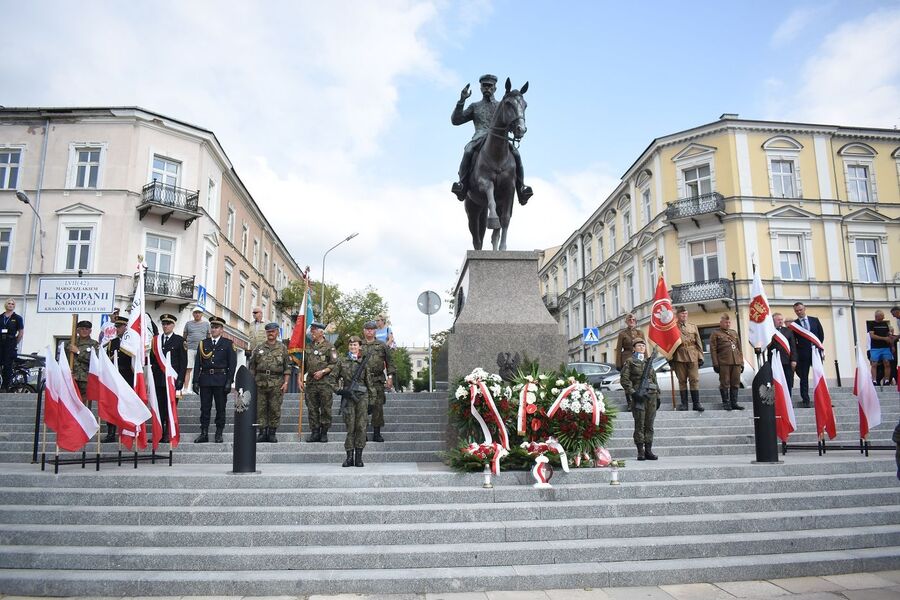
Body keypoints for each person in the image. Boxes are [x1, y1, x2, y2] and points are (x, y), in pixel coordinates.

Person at [450, 73, 532, 204]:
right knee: (468, 151)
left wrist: (515, 128)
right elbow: (456, 120)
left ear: (495, 88)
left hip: (500, 139)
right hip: (479, 136)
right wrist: (461, 101)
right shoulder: (475, 106)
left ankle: (521, 188)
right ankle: (462, 185)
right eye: (484, 86)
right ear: (481, 88)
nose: (487, 88)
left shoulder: (502, 105)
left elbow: (510, 122)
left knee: (516, 154)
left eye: (490, 86)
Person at [192, 316, 236, 443]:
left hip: (220, 380)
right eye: (212, 327)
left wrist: (229, 381)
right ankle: (204, 433)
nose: (213, 329)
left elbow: (232, 365)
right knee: (204, 408)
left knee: (220, 408)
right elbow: (197, 364)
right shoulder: (203, 343)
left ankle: (219, 432)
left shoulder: (228, 344)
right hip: (205, 379)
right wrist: (195, 381)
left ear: (222, 329)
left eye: (216, 327)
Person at [249, 322, 290, 443]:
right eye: (268, 332)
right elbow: (252, 366)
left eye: (272, 331)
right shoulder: (259, 348)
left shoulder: (283, 348)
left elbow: (287, 368)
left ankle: (272, 432)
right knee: (260, 408)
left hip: (277, 382)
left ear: (277, 332)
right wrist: (251, 382)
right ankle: (262, 432)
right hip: (260, 382)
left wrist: (286, 383)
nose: (270, 334)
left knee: (274, 408)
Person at [151, 314, 187, 442]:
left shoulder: (180, 341)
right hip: (158, 379)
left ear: (173, 325)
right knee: (159, 407)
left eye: (168, 324)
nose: (165, 326)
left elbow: (183, 363)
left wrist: (181, 380)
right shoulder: (156, 340)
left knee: (169, 408)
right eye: (164, 324)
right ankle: (159, 433)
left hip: (172, 380)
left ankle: (167, 433)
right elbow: (152, 360)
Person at [620, 339, 659, 461]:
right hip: (639, 396)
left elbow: (654, 379)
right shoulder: (630, 361)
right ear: (634, 348)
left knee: (649, 424)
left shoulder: (649, 362)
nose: (642, 347)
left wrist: (658, 396)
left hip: (651, 396)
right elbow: (625, 380)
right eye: (639, 346)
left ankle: (648, 450)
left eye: (643, 345)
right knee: (640, 424)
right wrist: (633, 393)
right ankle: (640, 451)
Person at [334, 335, 369, 467]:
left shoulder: (363, 362)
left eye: (355, 345)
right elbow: (332, 379)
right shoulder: (342, 362)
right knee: (350, 427)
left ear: (359, 346)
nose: (353, 347)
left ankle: (359, 458)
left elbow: (369, 383)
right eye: (351, 345)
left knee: (361, 427)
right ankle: (349, 457)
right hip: (348, 398)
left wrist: (371, 401)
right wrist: (340, 391)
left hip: (362, 398)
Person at [361, 320, 395, 442]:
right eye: (367, 329)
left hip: (378, 380)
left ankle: (376, 433)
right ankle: (362, 432)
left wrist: (390, 377)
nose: (369, 331)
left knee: (378, 407)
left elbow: (390, 362)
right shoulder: (358, 345)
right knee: (362, 407)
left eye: (372, 329)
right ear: (364, 331)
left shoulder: (382, 345)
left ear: (375, 331)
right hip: (363, 382)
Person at [304, 322, 337, 443]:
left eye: (314, 330)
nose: (311, 332)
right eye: (311, 330)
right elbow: (303, 365)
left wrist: (323, 372)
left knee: (325, 408)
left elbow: (334, 364)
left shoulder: (330, 346)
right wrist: (299, 378)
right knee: (312, 408)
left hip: (325, 383)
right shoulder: (308, 346)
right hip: (311, 383)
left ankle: (324, 432)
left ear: (321, 332)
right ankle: (315, 432)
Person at [102, 316, 133, 442]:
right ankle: (111, 432)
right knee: (112, 405)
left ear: (126, 327)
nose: (117, 329)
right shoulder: (112, 343)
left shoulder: (132, 342)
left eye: (120, 327)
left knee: (127, 406)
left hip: (128, 376)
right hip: (115, 377)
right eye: (116, 327)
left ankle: (128, 430)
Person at [669, 306, 704, 412]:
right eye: (682, 314)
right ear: (677, 315)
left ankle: (696, 403)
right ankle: (684, 404)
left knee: (694, 379)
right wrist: (669, 358)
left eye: (685, 313)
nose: (684, 315)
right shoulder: (672, 327)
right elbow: (669, 344)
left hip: (693, 355)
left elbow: (698, 343)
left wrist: (700, 356)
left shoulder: (693, 327)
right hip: (679, 356)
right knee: (682, 381)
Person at [791, 302, 825, 408]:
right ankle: (805, 399)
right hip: (803, 355)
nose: (799, 312)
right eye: (796, 311)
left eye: (800, 310)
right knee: (804, 378)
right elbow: (793, 342)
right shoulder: (794, 325)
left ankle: (823, 399)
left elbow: (821, 336)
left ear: (805, 308)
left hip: (815, 353)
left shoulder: (815, 320)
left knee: (819, 376)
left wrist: (817, 348)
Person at [709, 314, 745, 411]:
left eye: (729, 322)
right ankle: (726, 403)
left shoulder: (734, 333)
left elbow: (739, 349)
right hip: (724, 362)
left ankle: (734, 403)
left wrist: (741, 363)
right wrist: (715, 364)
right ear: (721, 323)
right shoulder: (715, 334)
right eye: (726, 322)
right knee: (725, 383)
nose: (728, 324)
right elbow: (713, 350)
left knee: (736, 383)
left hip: (736, 362)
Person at [614, 313, 645, 411]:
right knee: (628, 381)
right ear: (626, 322)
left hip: (639, 359)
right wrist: (618, 363)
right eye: (629, 320)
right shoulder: (622, 334)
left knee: (638, 381)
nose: (632, 321)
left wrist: (647, 359)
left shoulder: (640, 333)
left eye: (633, 320)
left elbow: (644, 347)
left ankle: (638, 401)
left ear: (636, 321)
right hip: (626, 358)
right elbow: (618, 349)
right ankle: (630, 403)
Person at [68, 320, 99, 405]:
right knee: (71, 403)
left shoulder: (94, 344)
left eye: (87, 329)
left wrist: (78, 352)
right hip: (72, 377)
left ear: (90, 331)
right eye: (82, 329)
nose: (84, 331)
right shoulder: (71, 343)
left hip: (86, 379)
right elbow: (65, 360)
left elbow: (95, 361)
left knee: (84, 404)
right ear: (77, 330)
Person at [767, 312, 798, 395]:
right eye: (778, 320)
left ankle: (788, 401)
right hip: (774, 361)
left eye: (781, 319)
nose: (780, 321)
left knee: (788, 381)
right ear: (773, 321)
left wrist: (794, 360)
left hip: (787, 361)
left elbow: (793, 347)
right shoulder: (769, 331)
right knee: (775, 382)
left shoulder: (788, 331)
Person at [182, 307, 210, 392]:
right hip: (190, 348)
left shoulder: (206, 324)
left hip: (201, 350)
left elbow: (208, 337)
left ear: (202, 314)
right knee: (188, 369)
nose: (197, 314)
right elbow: (184, 336)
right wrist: (184, 344)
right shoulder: (188, 323)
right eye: (195, 312)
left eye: (199, 313)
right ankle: (186, 388)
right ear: (193, 314)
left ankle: (196, 388)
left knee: (200, 369)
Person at [0, 299, 24, 393]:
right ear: (6, 305)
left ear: (14, 306)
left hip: (10, 343)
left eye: (12, 304)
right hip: (1, 341)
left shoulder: (17, 318)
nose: (10, 305)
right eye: (9, 303)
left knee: (7, 365)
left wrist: (15, 342)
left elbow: (21, 332)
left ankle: (5, 386)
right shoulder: (1, 317)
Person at [868, 310, 895, 387]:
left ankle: (886, 380)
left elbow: (888, 335)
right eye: (882, 316)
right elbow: (872, 336)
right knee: (874, 363)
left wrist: (892, 343)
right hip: (875, 347)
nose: (884, 317)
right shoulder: (871, 324)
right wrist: (884, 338)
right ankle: (874, 380)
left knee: (887, 363)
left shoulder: (885, 324)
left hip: (885, 347)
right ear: (877, 316)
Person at [890, 306, 900, 387]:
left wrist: (896, 337)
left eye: (893, 314)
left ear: (897, 311)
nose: (893, 316)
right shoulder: (898, 320)